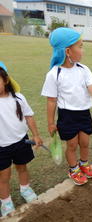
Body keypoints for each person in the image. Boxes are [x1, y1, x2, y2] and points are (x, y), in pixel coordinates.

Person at [41, 27, 92, 186]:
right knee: (72, 145)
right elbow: (51, 101)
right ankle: (73, 169)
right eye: (80, 46)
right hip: (67, 116)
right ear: (68, 51)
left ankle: (84, 164)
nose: (83, 50)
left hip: (84, 114)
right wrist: (51, 123)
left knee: (85, 142)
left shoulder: (83, 69)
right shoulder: (54, 74)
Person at [0, 61, 43, 216]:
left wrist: (36, 135)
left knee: (22, 167)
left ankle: (25, 189)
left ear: (5, 80)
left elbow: (29, 117)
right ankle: (5, 202)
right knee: (3, 176)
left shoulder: (18, 98)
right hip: (1, 147)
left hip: (21, 141)